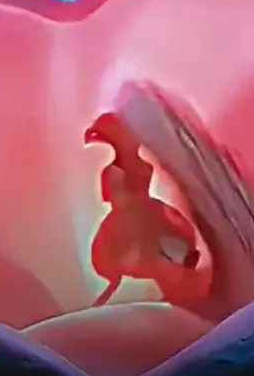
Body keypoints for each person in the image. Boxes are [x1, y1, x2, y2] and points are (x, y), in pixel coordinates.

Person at [84, 112, 207, 306]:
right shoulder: (112, 172)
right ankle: (174, 274)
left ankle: (180, 275)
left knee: (164, 241)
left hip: (146, 212)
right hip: (129, 218)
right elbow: (113, 199)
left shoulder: (142, 166)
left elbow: (115, 196)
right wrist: (131, 211)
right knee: (145, 250)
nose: (138, 142)